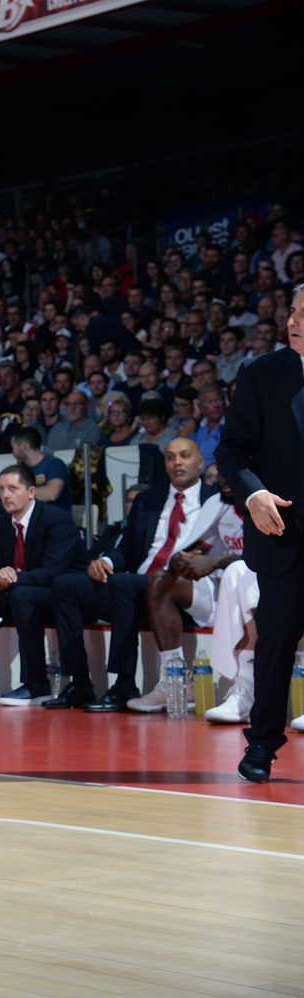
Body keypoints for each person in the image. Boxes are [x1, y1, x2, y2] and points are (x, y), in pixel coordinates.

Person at [48, 437, 215, 712]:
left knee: (123, 583)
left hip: (180, 589)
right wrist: (104, 560)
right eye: (171, 457)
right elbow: (126, 549)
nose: (178, 463)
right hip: (136, 587)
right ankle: (79, 682)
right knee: (66, 585)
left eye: (185, 456)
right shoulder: (148, 499)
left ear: (200, 461)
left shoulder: (214, 499)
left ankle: (124, 682)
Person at [215, 283, 304, 780]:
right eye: (291, 312)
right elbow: (232, 450)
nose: (292, 321)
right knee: (276, 638)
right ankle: (263, 744)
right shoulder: (261, 374)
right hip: (282, 532)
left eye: (303, 314)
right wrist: (252, 495)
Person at [0, 464, 84, 704]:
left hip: (60, 596)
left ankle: (36, 684)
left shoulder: (57, 520)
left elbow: (51, 573)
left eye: (13, 488)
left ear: (31, 492)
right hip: (21, 590)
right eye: (2, 489)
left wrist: (5, 579)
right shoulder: (5, 523)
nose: (5, 495)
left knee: (21, 594)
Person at [132, 475, 246, 714]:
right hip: (220, 590)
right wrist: (183, 560)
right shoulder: (217, 504)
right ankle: (176, 681)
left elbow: (275, 559)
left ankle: (246, 686)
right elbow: (191, 548)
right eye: (221, 471)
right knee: (160, 582)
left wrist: (218, 561)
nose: (225, 478)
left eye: (231, 470)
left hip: (260, 589)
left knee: (238, 573)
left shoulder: (264, 503)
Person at [7, 426, 71, 511]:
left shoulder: (54, 464)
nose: (13, 453)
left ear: (23, 446)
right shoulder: (22, 470)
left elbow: (52, 493)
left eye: (13, 448)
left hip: (56, 521)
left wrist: (21, 493)